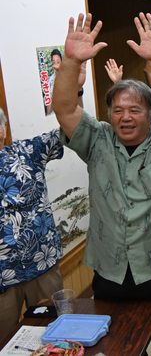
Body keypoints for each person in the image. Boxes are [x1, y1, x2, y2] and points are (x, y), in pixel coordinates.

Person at [52, 11, 151, 356]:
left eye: (134, 110)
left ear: (150, 113)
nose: (125, 117)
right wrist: (70, 62)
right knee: (114, 336)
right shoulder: (98, 141)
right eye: (117, 110)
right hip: (111, 265)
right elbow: (64, 108)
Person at [0, 106, 64, 342]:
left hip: (41, 264)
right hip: (2, 278)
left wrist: (74, 91)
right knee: (5, 341)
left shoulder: (27, 151)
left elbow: (68, 129)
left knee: (56, 331)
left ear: (3, 128)